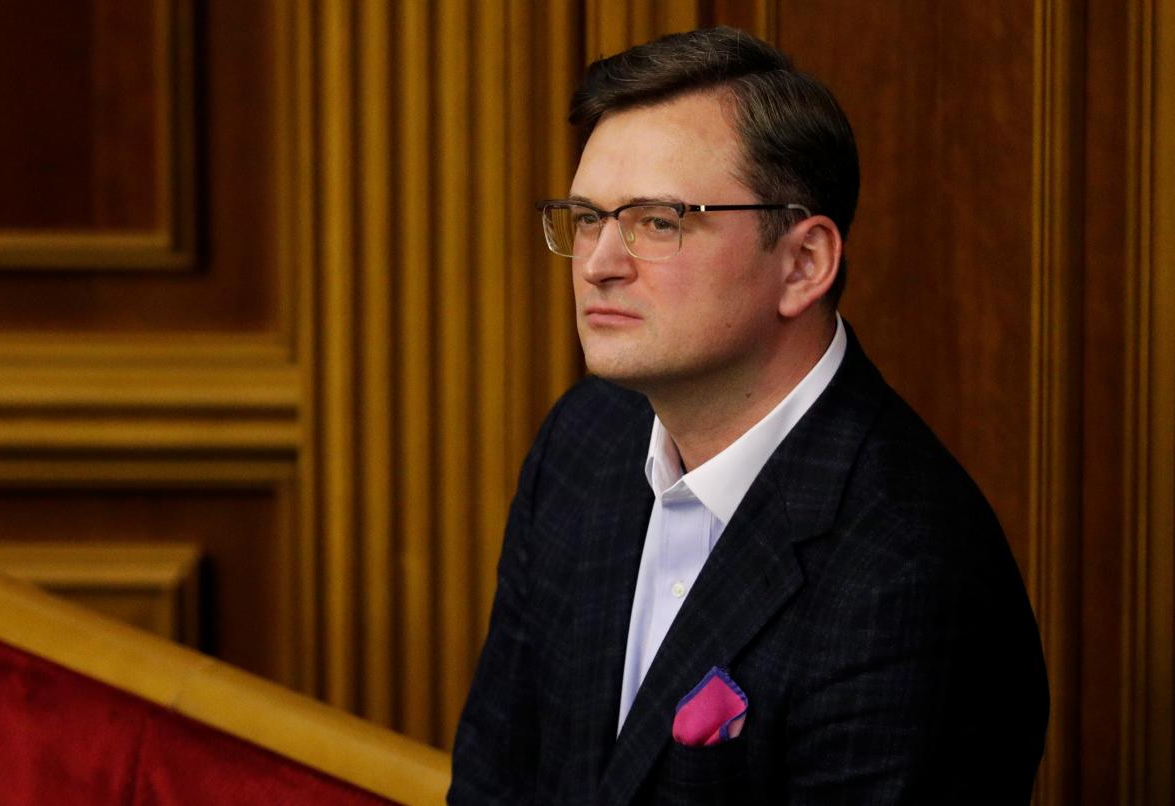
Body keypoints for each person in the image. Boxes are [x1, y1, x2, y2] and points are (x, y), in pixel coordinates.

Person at [449, 26, 1048, 805]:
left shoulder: (909, 571)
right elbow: (493, 780)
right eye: (588, 218)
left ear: (802, 264)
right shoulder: (585, 437)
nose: (597, 264)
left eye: (657, 221)